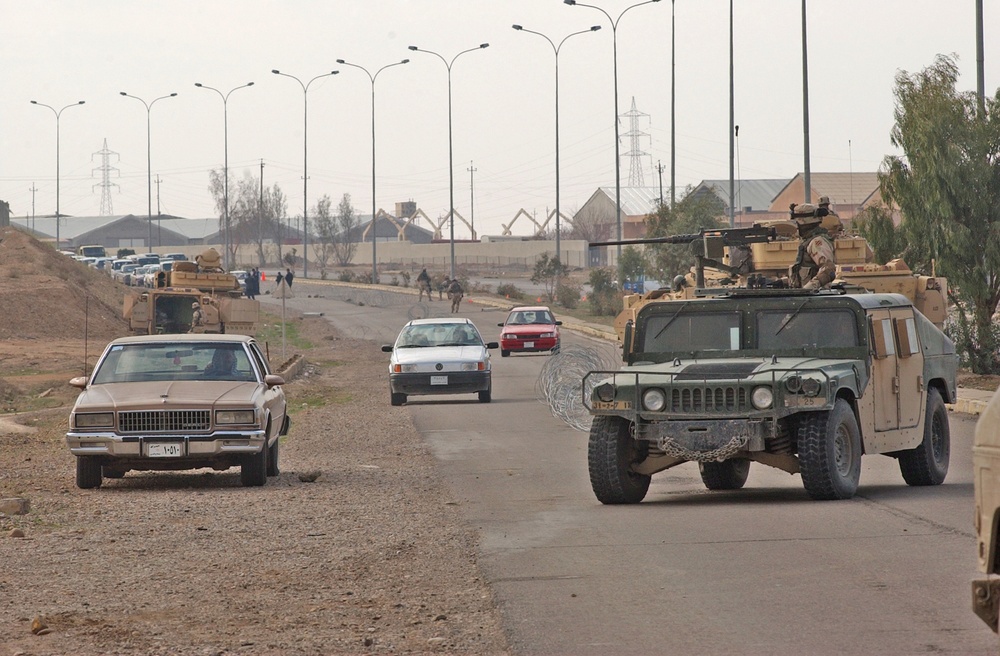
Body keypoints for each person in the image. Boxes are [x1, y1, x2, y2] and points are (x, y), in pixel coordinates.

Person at [788, 202, 836, 290]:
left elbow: (829, 270)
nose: (796, 227)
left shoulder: (816, 242)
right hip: (807, 298)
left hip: (815, 297)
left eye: (798, 223)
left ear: (805, 223)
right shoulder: (807, 241)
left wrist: (809, 288)